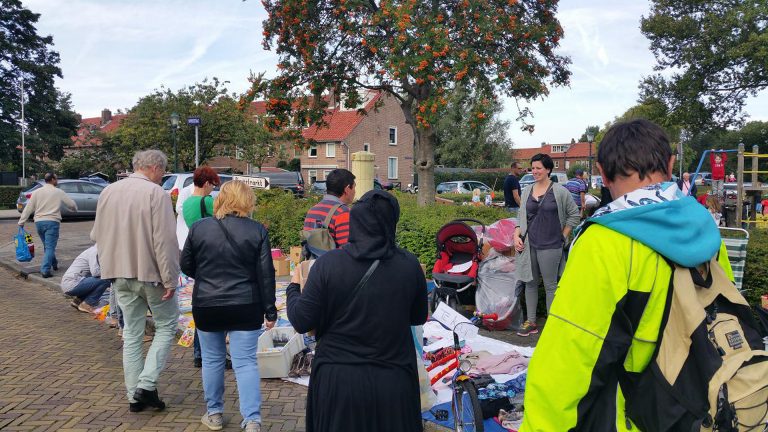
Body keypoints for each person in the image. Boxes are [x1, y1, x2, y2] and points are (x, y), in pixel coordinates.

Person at [520, 119, 734, 431]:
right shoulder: (705, 229)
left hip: (635, 413)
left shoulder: (605, 241)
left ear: (603, 173)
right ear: (672, 164)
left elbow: (567, 362)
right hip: (702, 405)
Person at [287, 190, 428, 432]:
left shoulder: (328, 266)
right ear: (391, 223)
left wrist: (292, 288)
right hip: (393, 382)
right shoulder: (409, 265)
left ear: (355, 223)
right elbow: (417, 317)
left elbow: (301, 320)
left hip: (339, 383)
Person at [181, 180, 277, 432]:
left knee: (212, 360)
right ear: (247, 201)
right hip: (245, 303)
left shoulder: (199, 228)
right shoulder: (257, 231)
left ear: (220, 199)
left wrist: (205, 276)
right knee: (245, 362)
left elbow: (186, 265)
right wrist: (270, 310)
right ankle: (252, 420)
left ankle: (214, 414)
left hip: (207, 303)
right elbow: (266, 275)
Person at [91, 150, 180, 413]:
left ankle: (134, 396)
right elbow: (164, 242)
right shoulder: (156, 194)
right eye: (162, 172)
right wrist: (170, 279)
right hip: (150, 275)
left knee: (132, 332)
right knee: (166, 326)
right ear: (153, 168)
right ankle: (146, 384)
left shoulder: (108, 191)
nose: (162, 177)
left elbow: (96, 234)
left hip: (118, 273)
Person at [512, 154, 580, 337]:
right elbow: (521, 216)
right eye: (533, 168)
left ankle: (552, 323)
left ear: (548, 169)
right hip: (529, 245)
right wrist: (516, 235)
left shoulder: (560, 191)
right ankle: (531, 322)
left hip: (551, 245)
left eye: (539, 168)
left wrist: (562, 236)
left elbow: (574, 215)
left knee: (551, 285)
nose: (535, 171)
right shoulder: (526, 191)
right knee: (530, 283)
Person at [179, 166, 221, 369]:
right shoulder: (209, 201)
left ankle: (198, 353)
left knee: (201, 306)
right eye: (213, 185)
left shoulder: (186, 203)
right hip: (213, 255)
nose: (213, 189)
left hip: (197, 255)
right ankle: (215, 354)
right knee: (217, 306)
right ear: (206, 183)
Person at [18, 173, 77, 278]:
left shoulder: (36, 192)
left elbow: (28, 208)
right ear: (53, 180)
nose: (57, 180)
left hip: (39, 222)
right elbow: (71, 204)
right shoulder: (58, 192)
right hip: (52, 222)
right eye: (56, 179)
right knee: (50, 247)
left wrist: (21, 221)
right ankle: (45, 270)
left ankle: (54, 264)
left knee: (47, 245)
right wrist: (74, 209)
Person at [303, 168, 356, 248]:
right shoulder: (343, 212)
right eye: (354, 187)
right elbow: (348, 251)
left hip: (314, 260)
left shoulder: (312, 211)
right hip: (334, 260)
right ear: (347, 189)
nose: (355, 191)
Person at [60, 245, 110, 314]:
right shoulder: (95, 251)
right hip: (72, 283)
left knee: (96, 281)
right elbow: (95, 272)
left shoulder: (93, 250)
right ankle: (87, 304)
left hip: (70, 283)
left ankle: (78, 301)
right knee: (106, 279)